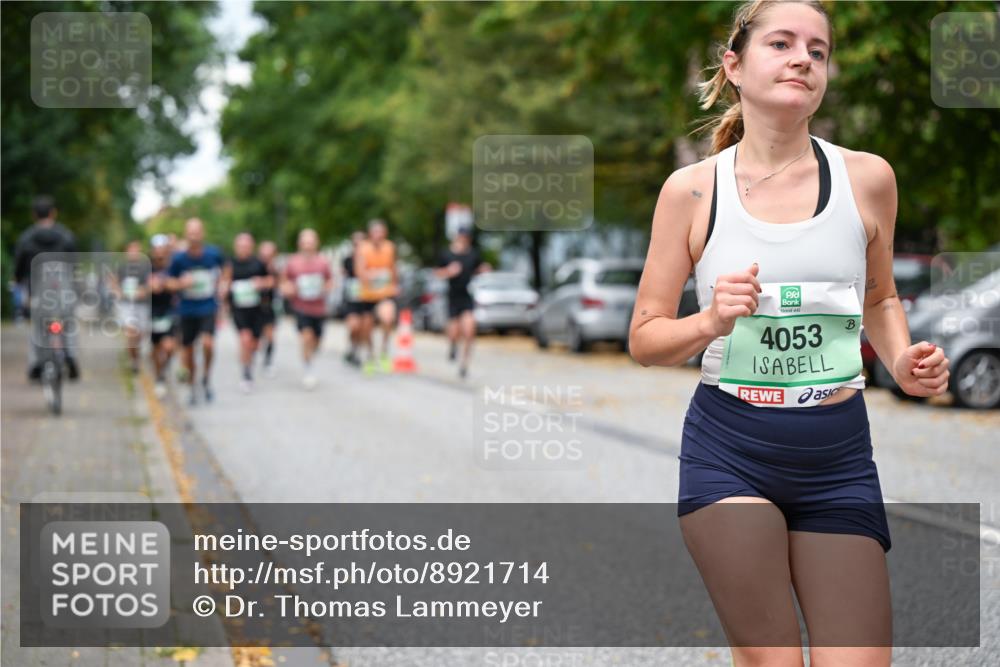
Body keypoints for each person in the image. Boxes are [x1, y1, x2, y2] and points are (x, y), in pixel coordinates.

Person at [628, 2, 950, 665]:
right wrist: (712, 320)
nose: (804, 57)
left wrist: (902, 359)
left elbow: (880, 295)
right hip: (731, 451)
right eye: (781, 43)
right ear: (735, 66)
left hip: (837, 456)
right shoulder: (691, 192)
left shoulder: (868, 179)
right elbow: (646, 337)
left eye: (819, 50)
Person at [13, 195, 79, 381]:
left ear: (34, 215)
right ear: (53, 213)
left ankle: (36, 364)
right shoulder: (66, 236)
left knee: (38, 326)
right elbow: (74, 264)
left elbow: (19, 268)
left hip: (38, 290)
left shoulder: (26, 238)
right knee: (68, 323)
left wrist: (18, 282)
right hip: (62, 288)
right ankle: (71, 356)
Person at [167, 218, 225, 406]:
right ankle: (193, 385)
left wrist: (224, 285)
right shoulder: (179, 259)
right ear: (186, 234)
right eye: (190, 232)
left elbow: (227, 269)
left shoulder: (213, 254)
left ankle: (206, 377)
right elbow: (168, 282)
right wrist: (180, 283)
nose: (194, 236)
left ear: (202, 233)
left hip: (208, 306)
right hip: (187, 309)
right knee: (189, 351)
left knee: (208, 344)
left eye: (197, 232)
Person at [434, 226, 491, 379]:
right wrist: (449, 272)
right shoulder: (446, 254)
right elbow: (437, 273)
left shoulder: (472, 254)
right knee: (453, 332)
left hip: (467, 297)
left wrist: (483, 269)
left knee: (469, 331)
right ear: (457, 237)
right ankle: (452, 345)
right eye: (462, 237)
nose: (464, 240)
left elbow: (478, 268)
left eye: (466, 237)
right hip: (453, 297)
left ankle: (464, 365)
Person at [281, 228, 333, 389]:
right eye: (305, 243)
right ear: (300, 244)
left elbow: (330, 281)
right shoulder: (292, 262)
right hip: (301, 307)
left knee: (316, 342)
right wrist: (289, 288)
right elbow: (283, 283)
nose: (308, 246)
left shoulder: (323, 262)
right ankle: (308, 369)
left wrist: (326, 288)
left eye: (311, 242)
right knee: (306, 337)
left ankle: (311, 355)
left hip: (319, 308)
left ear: (316, 243)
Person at [222, 232, 273, 393]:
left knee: (255, 344)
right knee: (245, 339)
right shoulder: (230, 264)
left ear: (252, 247)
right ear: (236, 247)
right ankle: (246, 374)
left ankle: (249, 362)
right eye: (240, 246)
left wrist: (261, 283)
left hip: (257, 310)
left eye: (247, 246)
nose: (243, 249)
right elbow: (225, 282)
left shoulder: (259, 263)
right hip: (239, 309)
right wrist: (224, 290)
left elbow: (271, 281)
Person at [355, 219, 399, 375]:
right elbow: (359, 272)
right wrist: (371, 275)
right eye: (375, 232)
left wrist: (395, 283)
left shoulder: (390, 247)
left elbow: (393, 267)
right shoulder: (362, 248)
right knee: (366, 328)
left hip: (385, 292)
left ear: (385, 233)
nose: (378, 235)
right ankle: (370, 354)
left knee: (387, 318)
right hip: (367, 294)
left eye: (381, 232)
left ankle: (384, 350)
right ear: (370, 234)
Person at [111, 239, 151, 375]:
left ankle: (136, 355)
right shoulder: (121, 266)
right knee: (130, 332)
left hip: (141, 305)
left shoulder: (145, 266)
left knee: (140, 334)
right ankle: (133, 360)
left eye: (136, 249)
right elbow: (114, 281)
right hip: (127, 304)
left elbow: (150, 283)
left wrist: (143, 291)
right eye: (131, 249)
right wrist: (118, 291)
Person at [148, 235, 177, 398]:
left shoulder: (173, 265)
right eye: (156, 248)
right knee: (156, 349)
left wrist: (165, 284)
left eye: (162, 248)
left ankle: (164, 370)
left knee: (169, 347)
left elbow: (179, 282)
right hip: (152, 311)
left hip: (170, 311)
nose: (159, 252)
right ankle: (159, 377)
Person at [340, 231, 367, 367]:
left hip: (366, 297)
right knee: (353, 326)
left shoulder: (369, 258)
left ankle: (356, 350)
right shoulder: (347, 260)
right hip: (351, 297)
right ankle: (351, 346)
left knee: (362, 328)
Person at [257, 240, 280, 376]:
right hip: (254, 307)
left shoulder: (275, 269)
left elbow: (279, 283)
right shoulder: (254, 266)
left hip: (270, 306)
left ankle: (268, 361)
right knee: (257, 336)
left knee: (270, 335)